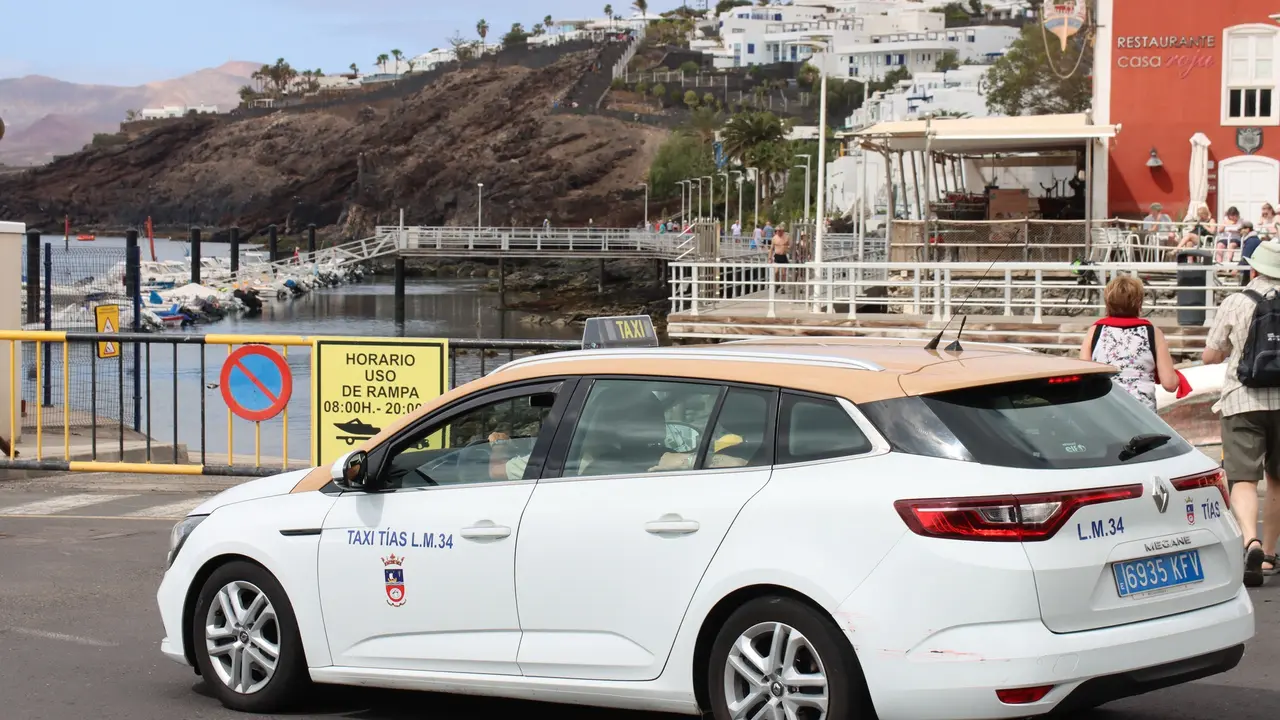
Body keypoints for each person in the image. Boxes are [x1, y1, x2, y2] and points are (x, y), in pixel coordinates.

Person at [1203, 239, 1280, 586]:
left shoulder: (1236, 301)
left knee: (1244, 478)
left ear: (1254, 269)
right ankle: (1270, 555)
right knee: (1277, 479)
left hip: (1242, 401)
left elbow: (1211, 354)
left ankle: (1251, 540)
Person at [1078, 275, 1181, 412]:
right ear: (1139, 303)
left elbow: (1084, 378)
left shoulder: (1095, 331)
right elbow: (1170, 384)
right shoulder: (1152, 333)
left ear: (1108, 303)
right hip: (1142, 413)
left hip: (1105, 411)